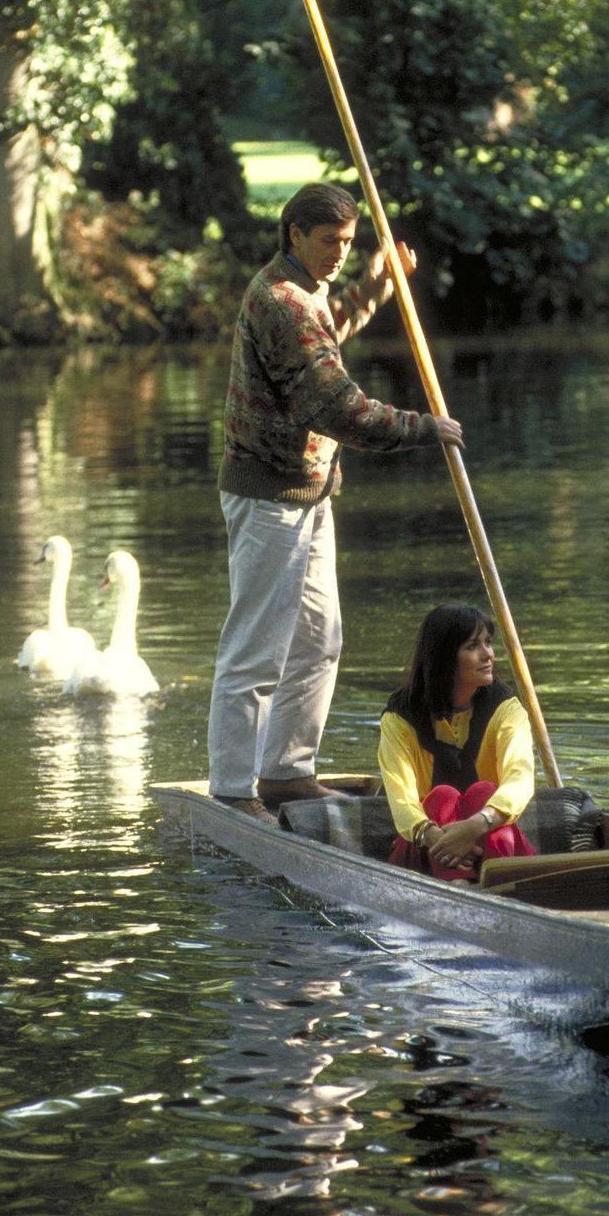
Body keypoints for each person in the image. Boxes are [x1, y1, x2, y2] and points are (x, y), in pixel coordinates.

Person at [208, 182, 464, 820]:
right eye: (329, 242)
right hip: (270, 495)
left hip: (311, 492)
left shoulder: (306, 294)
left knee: (319, 640)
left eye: (348, 244)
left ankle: (288, 774)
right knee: (257, 648)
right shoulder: (279, 300)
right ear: (294, 233)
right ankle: (234, 791)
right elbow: (332, 403)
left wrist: (375, 288)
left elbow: (328, 331)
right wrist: (420, 427)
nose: (339, 255)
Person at [378, 604, 536, 879]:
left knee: (484, 792)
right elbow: (402, 801)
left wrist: (475, 825)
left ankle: (498, 885)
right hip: (427, 847)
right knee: (442, 797)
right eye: (473, 646)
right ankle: (459, 888)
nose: (488, 655)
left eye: (488, 643)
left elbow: (520, 780)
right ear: (444, 658)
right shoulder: (400, 717)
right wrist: (443, 840)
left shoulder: (507, 709)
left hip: (494, 845)